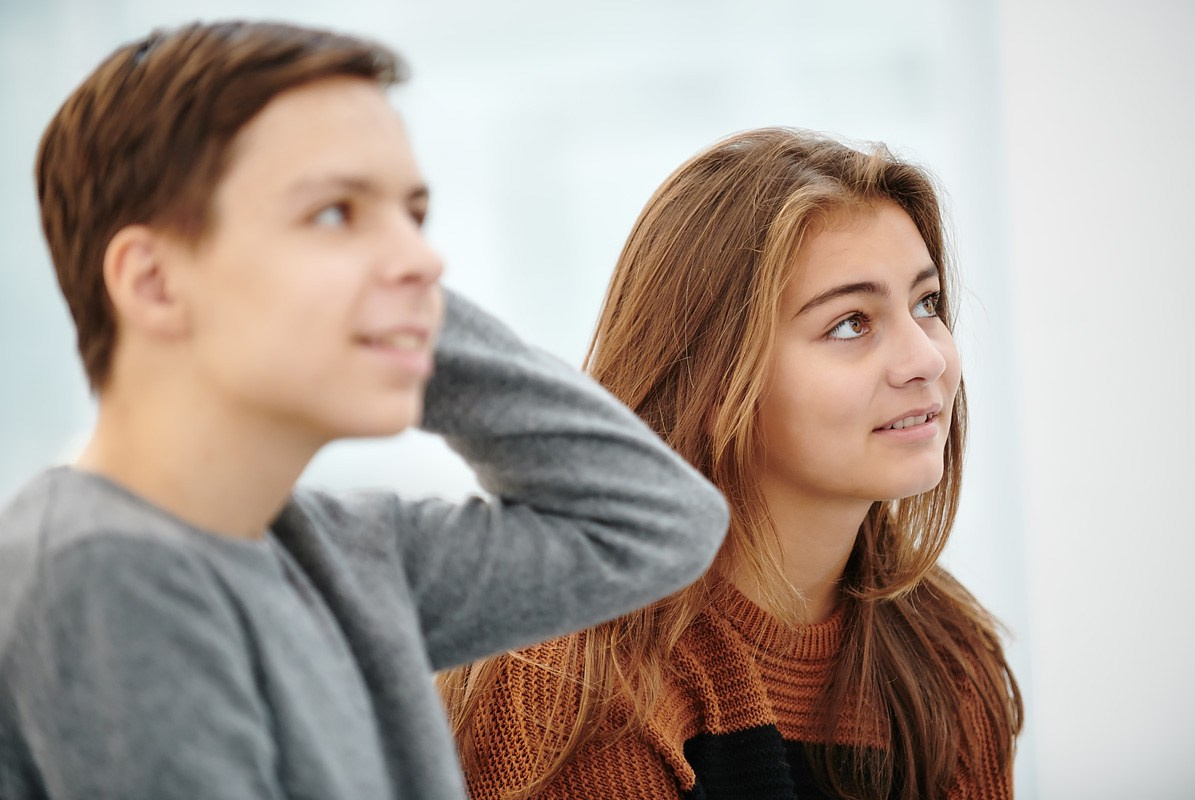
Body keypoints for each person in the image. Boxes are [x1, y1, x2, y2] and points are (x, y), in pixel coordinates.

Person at [0, 20, 730, 800]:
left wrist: (392, 306)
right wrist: (381, 304)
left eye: (411, 214)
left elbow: (657, 523)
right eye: (334, 213)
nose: (426, 260)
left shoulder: (343, 555)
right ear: (152, 283)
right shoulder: (110, 570)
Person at [439, 127, 1024, 800]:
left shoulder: (947, 656)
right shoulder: (572, 673)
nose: (927, 359)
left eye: (926, 304)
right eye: (850, 324)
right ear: (714, 383)